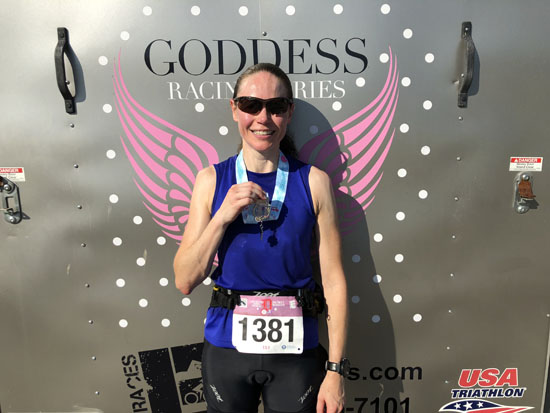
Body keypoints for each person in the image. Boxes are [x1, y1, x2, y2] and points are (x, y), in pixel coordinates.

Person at [174, 62, 348, 413]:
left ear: (289, 112)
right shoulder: (210, 180)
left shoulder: (314, 182)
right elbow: (185, 279)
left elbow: (333, 281)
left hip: (296, 355)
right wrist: (223, 215)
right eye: (251, 105)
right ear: (234, 108)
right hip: (227, 350)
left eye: (276, 106)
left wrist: (335, 371)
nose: (263, 118)